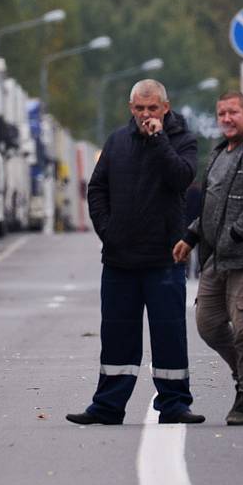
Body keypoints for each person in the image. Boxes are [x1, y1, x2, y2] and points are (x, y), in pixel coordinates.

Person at [67, 79, 202, 426]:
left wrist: (158, 140)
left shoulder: (182, 141)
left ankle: (174, 405)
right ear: (131, 108)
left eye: (152, 108)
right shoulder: (117, 142)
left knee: (169, 335)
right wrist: (108, 232)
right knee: (117, 336)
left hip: (163, 260)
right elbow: (97, 188)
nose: (146, 115)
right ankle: (108, 406)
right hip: (119, 260)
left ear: (165, 108)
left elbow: (180, 178)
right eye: (140, 109)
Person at [173, 91, 243, 426]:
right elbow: (211, 207)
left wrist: (235, 234)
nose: (226, 119)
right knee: (208, 324)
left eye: (233, 112)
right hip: (217, 258)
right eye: (221, 114)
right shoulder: (220, 152)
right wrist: (191, 236)